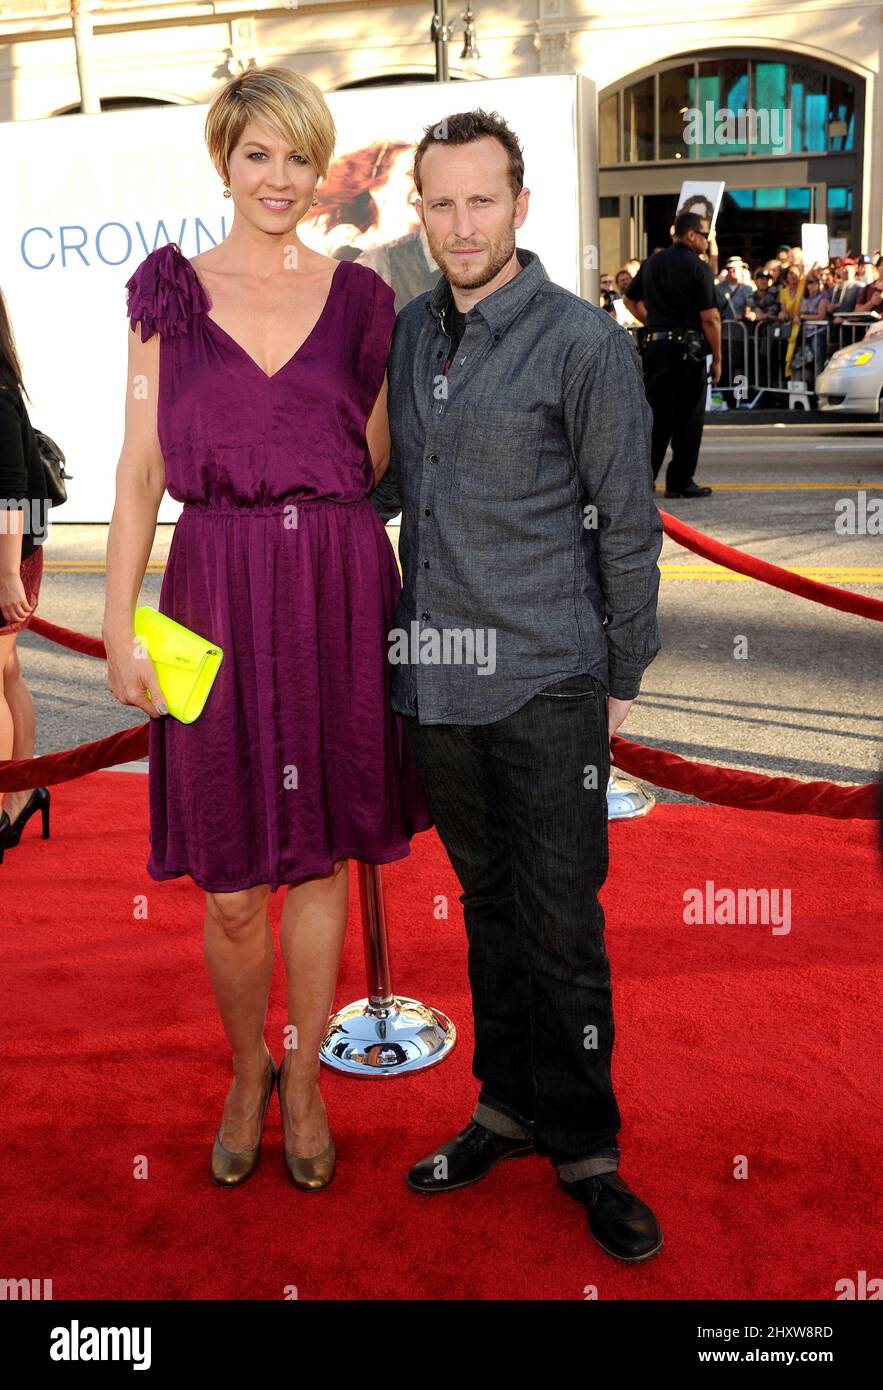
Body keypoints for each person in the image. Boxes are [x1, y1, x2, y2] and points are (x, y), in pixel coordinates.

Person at [102, 66, 433, 1192]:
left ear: (318, 164)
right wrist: (115, 624)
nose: (280, 179)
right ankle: (247, 1069)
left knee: (321, 857)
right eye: (258, 156)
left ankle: (302, 1081)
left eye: (299, 156)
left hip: (336, 587)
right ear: (224, 160)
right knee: (232, 878)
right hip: (211, 591)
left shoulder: (362, 299)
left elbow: (376, 456)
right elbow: (141, 464)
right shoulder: (167, 295)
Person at [370, 109, 665, 1263]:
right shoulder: (405, 333)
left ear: (520, 206)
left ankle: (587, 1146)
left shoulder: (581, 343)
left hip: (547, 680)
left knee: (560, 924)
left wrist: (621, 673)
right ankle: (504, 1106)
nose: (458, 224)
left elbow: (629, 525)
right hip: (437, 681)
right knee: (486, 913)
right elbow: (399, 495)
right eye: (438, 203)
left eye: (479, 200)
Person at [0, 288, 52, 863]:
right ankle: (22, 795)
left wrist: (8, 576)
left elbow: (10, 488)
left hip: (7, 556)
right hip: (10, 554)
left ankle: (5, 806)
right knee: (8, 671)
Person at [623, 210, 721, 497]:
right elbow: (710, 318)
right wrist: (718, 357)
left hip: (655, 347)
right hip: (687, 351)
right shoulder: (699, 267)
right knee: (688, 418)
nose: (706, 239)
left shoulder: (652, 263)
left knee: (656, 415)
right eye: (704, 234)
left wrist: (654, 322)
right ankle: (679, 480)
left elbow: (629, 299)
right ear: (690, 234)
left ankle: (645, 479)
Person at [777, 264, 806, 379]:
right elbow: (784, 311)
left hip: (804, 327)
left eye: (795, 273)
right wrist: (786, 315)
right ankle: (789, 379)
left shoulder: (802, 286)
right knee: (789, 356)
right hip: (791, 329)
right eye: (790, 273)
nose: (793, 275)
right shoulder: (783, 292)